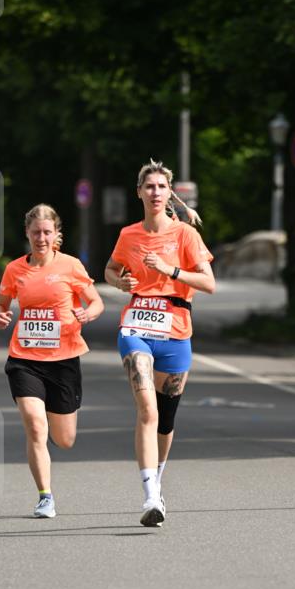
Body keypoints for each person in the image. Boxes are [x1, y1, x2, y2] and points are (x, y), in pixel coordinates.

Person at [104, 159, 215, 528]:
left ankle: (158, 479)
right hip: (135, 325)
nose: (154, 192)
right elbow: (111, 268)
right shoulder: (128, 234)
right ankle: (150, 496)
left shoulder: (185, 234)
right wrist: (118, 282)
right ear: (139, 192)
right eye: (148, 187)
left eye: (160, 187)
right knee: (147, 411)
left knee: (165, 420)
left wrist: (171, 271)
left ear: (170, 194)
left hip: (176, 329)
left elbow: (208, 282)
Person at [0, 203, 103, 518]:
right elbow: (0, 303)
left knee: (64, 439)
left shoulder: (70, 266)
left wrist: (87, 312)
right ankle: (45, 496)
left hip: (64, 359)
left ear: (57, 236)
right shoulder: (15, 269)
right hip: (24, 358)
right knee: (35, 425)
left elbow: (96, 302)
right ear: (27, 233)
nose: (41, 237)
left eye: (47, 232)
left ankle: (48, 443)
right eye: (35, 232)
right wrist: (0, 315)